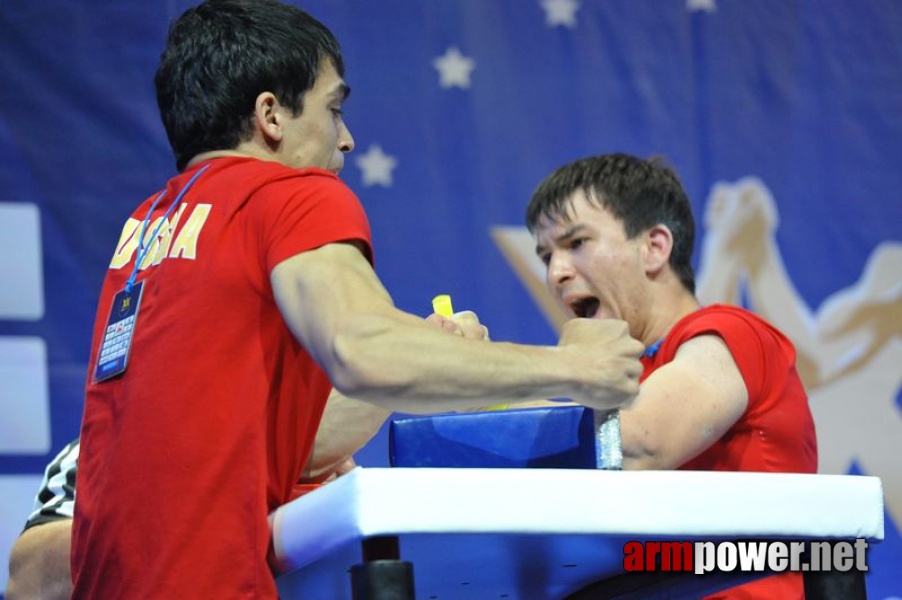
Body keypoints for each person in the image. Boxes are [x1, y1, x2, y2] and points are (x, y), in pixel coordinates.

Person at [70, 1, 644, 598]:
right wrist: (577, 368)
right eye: (333, 109)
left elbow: (271, 447)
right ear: (271, 115)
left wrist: (432, 357)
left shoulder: (148, 227)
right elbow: (365, 353)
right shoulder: (290, 194)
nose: (346, 139)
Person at [525, 152, 817, 599]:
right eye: (547, 255)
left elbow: (636, 444)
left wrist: (523, 373)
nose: (556, 271)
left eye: (577, 242)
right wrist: (474, 380)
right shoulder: (626, 375)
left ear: (655, 247)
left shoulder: (732, 334)